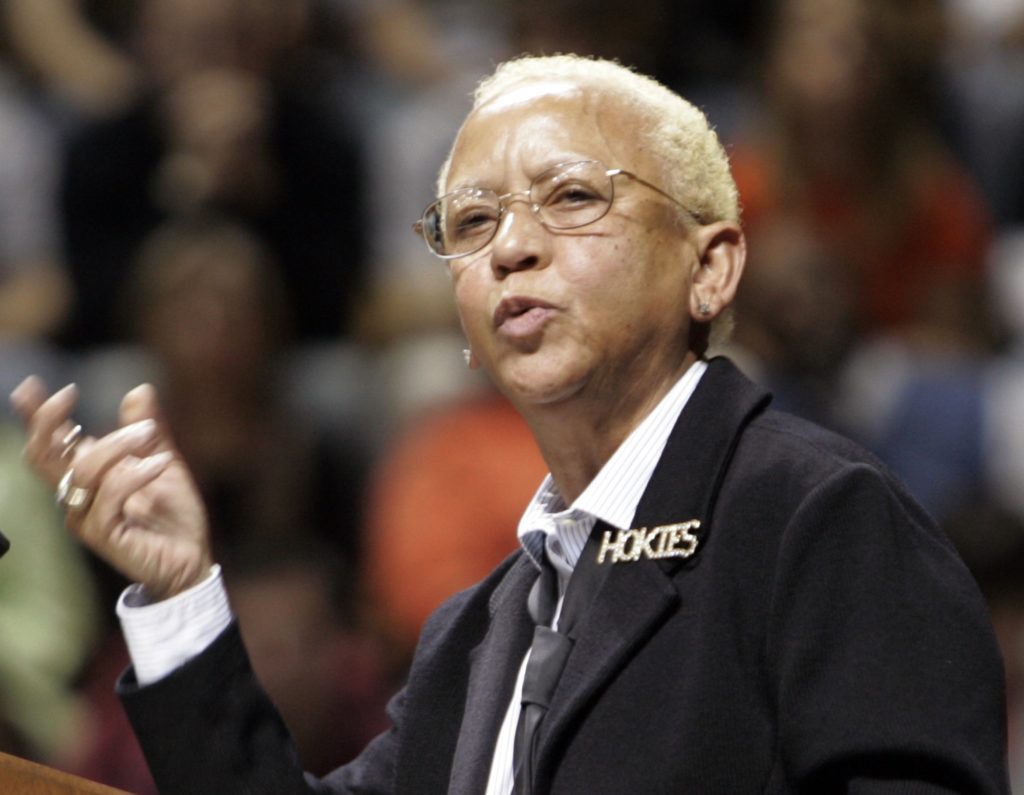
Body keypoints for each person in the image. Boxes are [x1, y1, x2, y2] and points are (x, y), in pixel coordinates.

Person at [11, 54, 1010, 793]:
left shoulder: (817, 519)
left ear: (709, 268)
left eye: (571, 197)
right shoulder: (477, 632)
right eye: (473, 223)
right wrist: (183, 592)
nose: (509, 249)